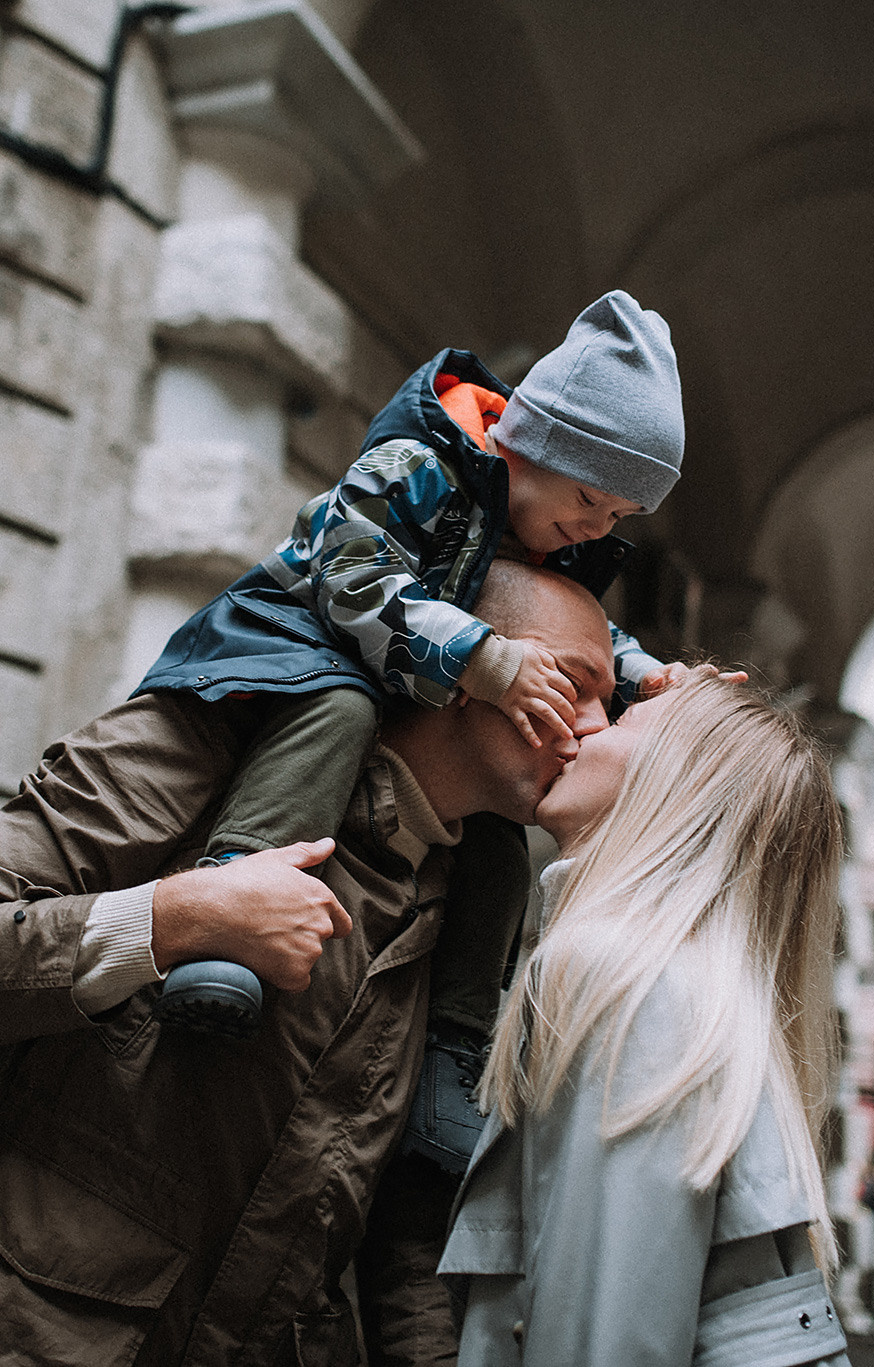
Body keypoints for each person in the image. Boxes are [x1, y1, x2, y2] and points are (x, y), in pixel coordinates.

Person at [0, 562, 616, 1367]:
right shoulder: (219, 733)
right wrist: (181, 915)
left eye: (607, 705)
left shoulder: (472, 906)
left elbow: (405, 1229)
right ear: (465, 667)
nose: (594, 729)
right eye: (572, 684)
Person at [135, 290, 689, 1058]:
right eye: (592, 497)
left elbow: (580, 630)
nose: (597, 528)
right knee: (336, 711)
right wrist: (488, 660)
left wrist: (648, 677)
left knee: (501, 836)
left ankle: (458, 1038)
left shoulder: (539, 526)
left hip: (403, 661)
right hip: (296, 635)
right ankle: (230, 911)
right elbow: (352, 579)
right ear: (532, 440)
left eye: (620, 517)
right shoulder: (417, 466)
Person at [440, 672, 850, 1367]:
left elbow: (600, 1342)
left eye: (625, 719)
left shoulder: (623, 977)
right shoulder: (683, 986)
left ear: (675, 784)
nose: (586, 724)